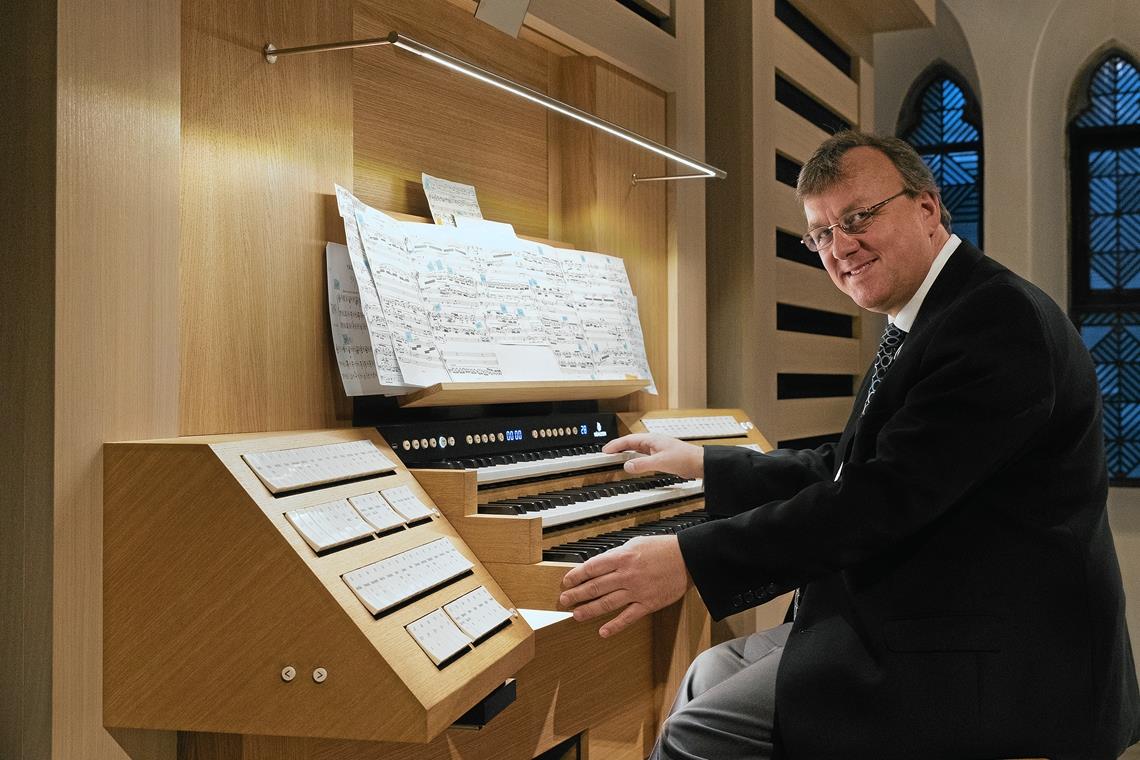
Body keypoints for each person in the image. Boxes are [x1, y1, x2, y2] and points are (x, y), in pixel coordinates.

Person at [558, 130, 1140, 759]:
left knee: (698, 732)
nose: (841, 247)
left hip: (995, 653)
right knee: (708, 676)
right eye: (822, 234)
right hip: (938, 615)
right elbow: (848, 468)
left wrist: (691, 559)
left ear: (927, 207)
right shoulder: (931, 314)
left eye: (858, 217)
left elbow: (876, 500)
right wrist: (705, 463)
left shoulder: (994, 321)